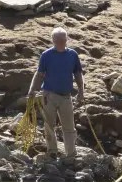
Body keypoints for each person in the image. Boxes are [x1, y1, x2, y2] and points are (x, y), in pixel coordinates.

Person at [28, 27, 85, 162]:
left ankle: (71, 154)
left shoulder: (73, 55)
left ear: (66, 40)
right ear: (53, 40)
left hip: (66, 96)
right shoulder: (46, 55)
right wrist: (32, 90)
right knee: (49, 125)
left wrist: (81, 91)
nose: (60, 42)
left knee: (69, 127)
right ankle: (52, 151)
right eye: (57, 40)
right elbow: (40, 74)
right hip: (49, 95)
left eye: (62, 39)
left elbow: (78, 74)